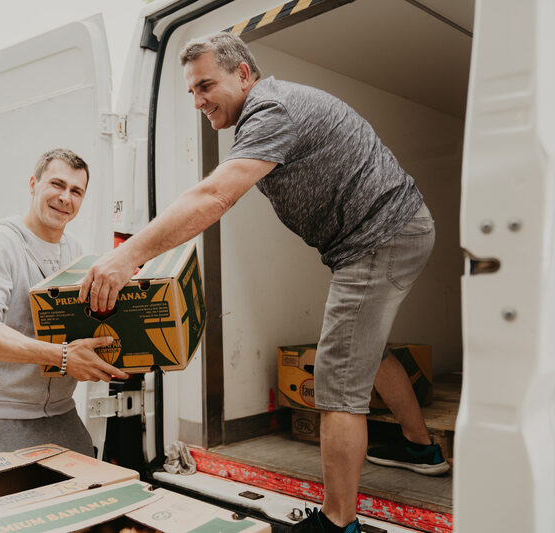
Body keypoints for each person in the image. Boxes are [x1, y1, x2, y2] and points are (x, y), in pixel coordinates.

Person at [78, 33, 448, 533]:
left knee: (338, 378)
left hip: (381, 236)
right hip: (389, 232)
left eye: (206, 85)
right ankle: (420, 447)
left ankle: (338, 524)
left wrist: (127, 256)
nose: (197, 100)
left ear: (243, 74)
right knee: (364, 352)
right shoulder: (267, 110)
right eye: (191, 91)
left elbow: (213, 196)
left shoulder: (272, 109)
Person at [0, 148, 129, 458]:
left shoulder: (73, 249)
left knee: (93, 484)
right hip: (5, 417)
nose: (65, 197)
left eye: (76, 191)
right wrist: (61, 357)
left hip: (62, 412)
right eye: (57, 184)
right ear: (33, 184)